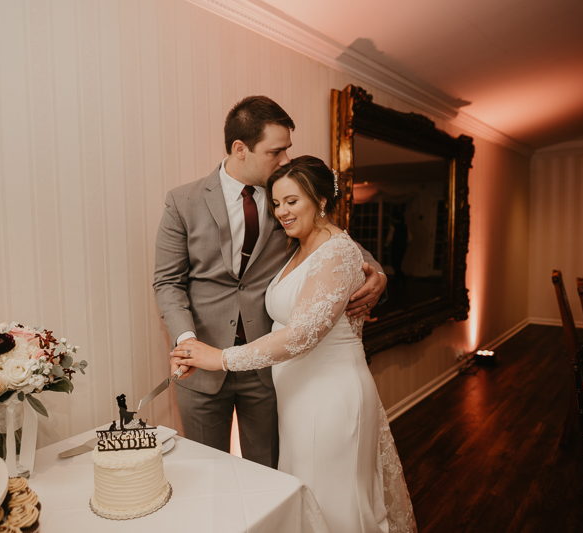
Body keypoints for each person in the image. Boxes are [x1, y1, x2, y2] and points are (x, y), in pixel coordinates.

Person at [171, 156, 416, 533]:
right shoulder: (297, 244)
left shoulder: (337, 251)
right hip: (298, 398)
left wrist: (220, 358)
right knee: (307, 498)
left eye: (292, 201)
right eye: (277, 203)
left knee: (335, 505)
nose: (281, 212)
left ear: (319, 200)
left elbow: (302, 333)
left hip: (329, 397)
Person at [153, 96, 387, 469]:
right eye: (275, 151)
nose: (285, 161)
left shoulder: (290, 198)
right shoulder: (183, 201)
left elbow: (339, 244)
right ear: (240, 149)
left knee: (272, 472)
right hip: (200, 367)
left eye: (287, 151)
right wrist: (187, 341)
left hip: (270, 368)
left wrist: (379, 274)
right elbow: (167, 281)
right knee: (206, 471)